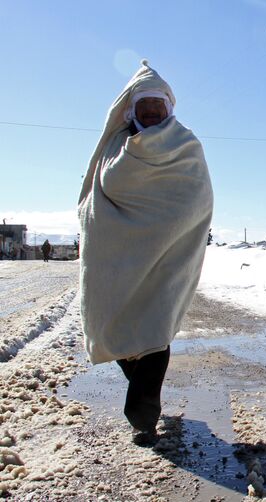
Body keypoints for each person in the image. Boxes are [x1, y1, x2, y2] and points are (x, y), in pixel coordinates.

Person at [78, 60, 213, 446]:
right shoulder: (114, 147)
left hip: (166, 262)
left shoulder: (186, 145)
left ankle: (143, 417)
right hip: (117, 260)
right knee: (118, 331)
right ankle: (136, 382)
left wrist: (173, 231)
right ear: (131, 111)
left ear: (168, 109)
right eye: (144, 108)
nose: (151, 114)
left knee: (153, 334)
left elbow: (197, 200)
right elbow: (95, 201)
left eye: (157, 108)